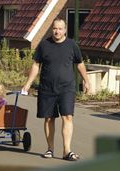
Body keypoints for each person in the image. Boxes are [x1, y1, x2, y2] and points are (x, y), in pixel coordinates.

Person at [22, 17, 90, 161]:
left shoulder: (72, 45)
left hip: (67, 88)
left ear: (65, 30)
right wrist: (28, 84)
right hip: (47, 88)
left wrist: (86, 80)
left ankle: (67, 151)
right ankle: (50, 149)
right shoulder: (44, 45)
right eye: (55, 28)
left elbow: (80, 64)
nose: (57, 31)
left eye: (60, 28)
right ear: (51, 29)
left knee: (67, 117)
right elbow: (36, 65)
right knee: (49, 119)